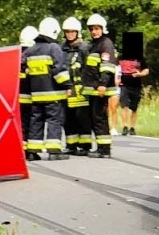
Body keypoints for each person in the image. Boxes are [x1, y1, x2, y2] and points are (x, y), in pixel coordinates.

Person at [21, 17, 70, 161]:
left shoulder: (30, 51)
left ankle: (32, 151)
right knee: (54, 120)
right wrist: (67, 85)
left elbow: (23, 67)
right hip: (53, 94)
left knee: (36, 120)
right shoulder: (53, 48)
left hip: (36, 95)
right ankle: (54, 150)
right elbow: (59, 70)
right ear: (54, 31)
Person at [83, 14, 117, 155]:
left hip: (101, 88)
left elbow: (107, 66)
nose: (94, 31)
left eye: (97, 28)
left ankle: (104, 149)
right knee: (95, 118)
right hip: (93, 89)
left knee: (100, 118)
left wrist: (102, 83)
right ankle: (101, 147)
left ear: (103, 29)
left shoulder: (105, 44)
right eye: (92, 29)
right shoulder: (94, 45)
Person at [60, 17, 92, 155]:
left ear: (78, 32)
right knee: (68, 118)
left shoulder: (85, 48)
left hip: (82, 90)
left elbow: (89, 68)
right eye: (67, 32)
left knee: (83, 118)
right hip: (67, 89)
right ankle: (71, 145)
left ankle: (85, 145)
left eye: (72, 32)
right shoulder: (62, 48)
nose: (70, 34)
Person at [118, 45, 150, 137]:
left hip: (136, 86)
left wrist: (140, 74)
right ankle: (125, 126)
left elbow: (146, 70)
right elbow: (116, 68)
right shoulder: (121, 57)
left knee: (134, 108)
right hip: (124, 85)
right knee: (124, 106)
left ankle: (132, 127)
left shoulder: (140, 58)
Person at [17, 24, 38, 144]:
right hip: (32, 95)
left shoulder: (17, 55)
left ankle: (23, 145)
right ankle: (31, 148)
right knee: (32, 122)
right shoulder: (34, 55)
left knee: (23, 123)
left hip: (19, 97)